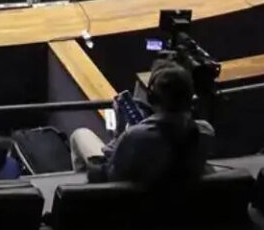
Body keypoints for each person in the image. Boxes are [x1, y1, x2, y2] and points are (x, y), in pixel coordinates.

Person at [69, 61, 213, 185]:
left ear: (152, 98)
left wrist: (119, 132)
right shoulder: (205, 131)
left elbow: (108, 173)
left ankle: (85, 195)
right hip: (177, 206)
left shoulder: (135, 137)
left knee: (80, 135)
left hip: (126, 205)